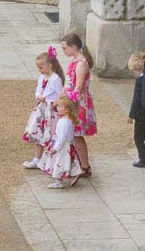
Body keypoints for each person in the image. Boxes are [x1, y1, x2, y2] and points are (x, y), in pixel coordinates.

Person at [57, 31, 98, 178]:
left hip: (78, 103)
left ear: (74, 46)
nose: (64, 51)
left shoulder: (81, 64)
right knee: (74, 135)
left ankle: (85, 166)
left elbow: (78, 87)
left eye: (65, 48)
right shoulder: (76, 61)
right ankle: (81, 164)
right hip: (74, 100)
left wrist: (67, 102)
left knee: (77, 134)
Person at [22, 49, 65, 169]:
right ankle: (37, 158)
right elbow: (38, 88)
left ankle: (50, 161)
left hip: (51, 110)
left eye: (41, 67)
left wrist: (50, 100)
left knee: (50, 133)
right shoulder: (42, 77)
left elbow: (60, 94)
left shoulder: (56, 79)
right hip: (42, 109)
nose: (40, 70)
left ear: (49, 65)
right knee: (38, 132)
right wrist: (39, 96)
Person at [40, 98, 84, 188]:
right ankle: (75, 174)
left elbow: (62, 138)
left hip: (62, 146)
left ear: (67, 110)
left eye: (60, 106)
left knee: (59, 161)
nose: (57, 108)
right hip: (68, 145)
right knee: (69, 160)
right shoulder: (68, 120)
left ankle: (58, 181)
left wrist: (55, 148)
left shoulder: (64, 122)